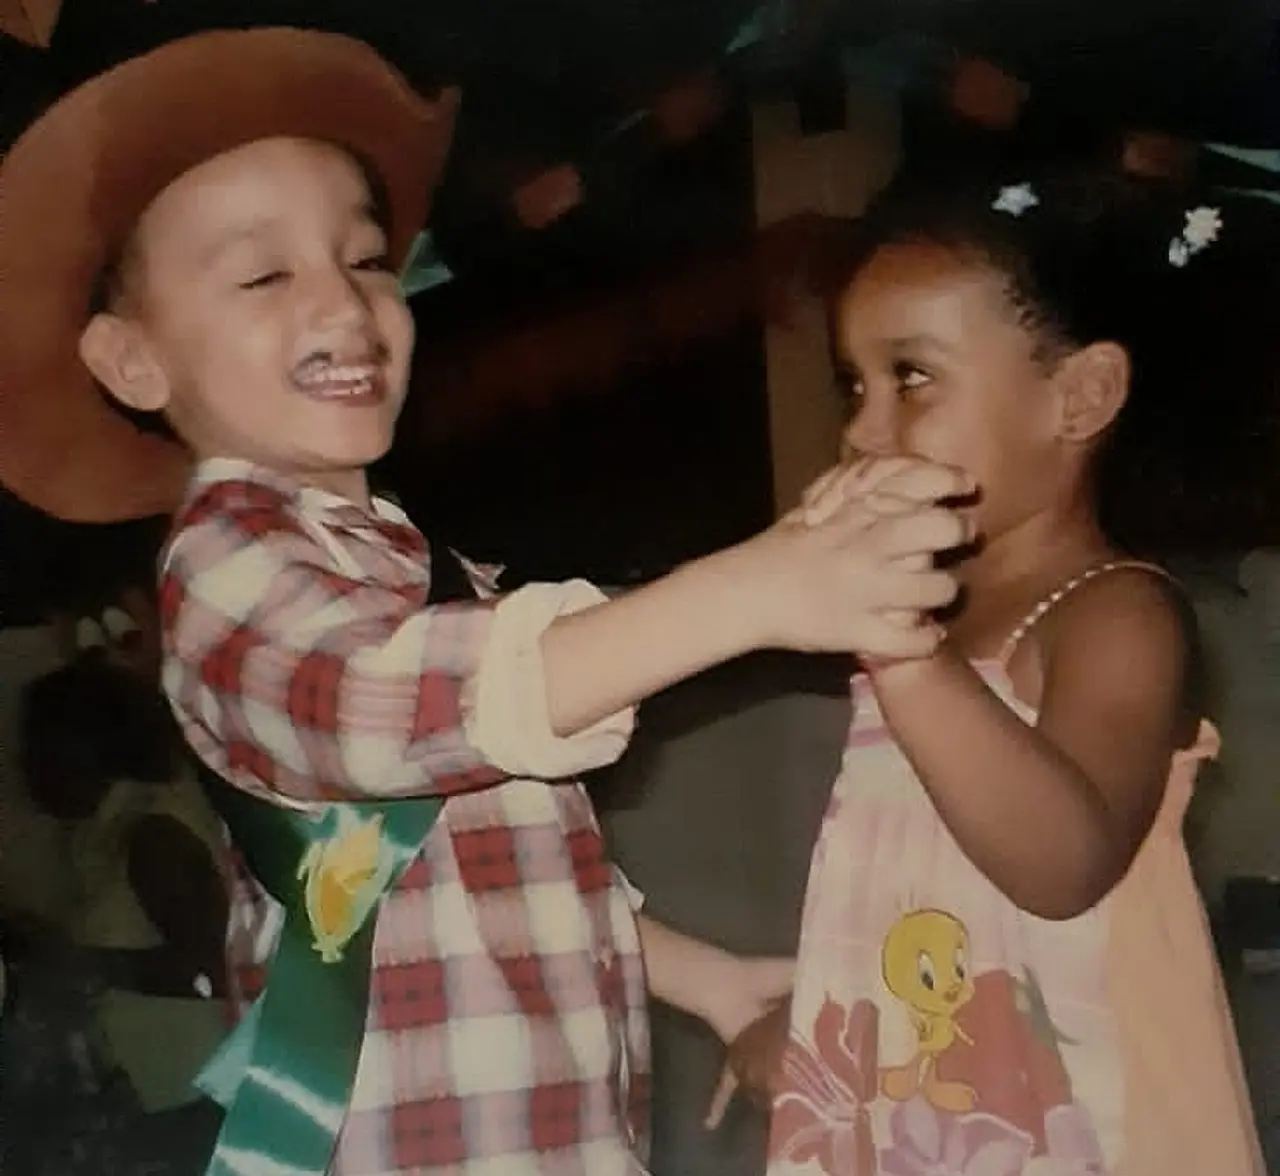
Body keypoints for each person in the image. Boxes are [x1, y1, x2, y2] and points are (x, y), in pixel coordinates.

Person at [0, 27, 972, 1176]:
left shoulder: (401, 560)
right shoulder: (224, 564)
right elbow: (389, 702)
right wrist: (760, 585)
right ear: (130, 363)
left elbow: (479, 857)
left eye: (365, 260)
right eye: (264, 274)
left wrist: (701, 979)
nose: (346, 304)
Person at [709, 161, 1273, 1174]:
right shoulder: (932, 623)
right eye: (854, 384)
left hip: (1071, 1120)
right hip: (927, 1100)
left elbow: (1057, 868)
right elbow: (923, 902)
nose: (860, 429)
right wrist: (817, 1025)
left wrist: (898, 646)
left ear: (1080, 395)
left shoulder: (1113, 613)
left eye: (910, 379)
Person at [21, 601, 228, 1172]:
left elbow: (213, 971)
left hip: (193, 1091)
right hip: (158, 1088)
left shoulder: (151, 834)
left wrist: (80, 964)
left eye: (37, 751)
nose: (27, 769)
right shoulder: (105, 831)